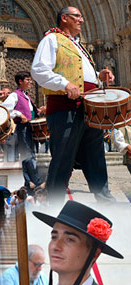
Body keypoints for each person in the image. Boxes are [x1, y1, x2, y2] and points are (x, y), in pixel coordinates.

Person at [31, 6, 116, 204]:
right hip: (65, 109)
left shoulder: (80, 46)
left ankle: (106, 201)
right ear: (64, 18)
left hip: (88, 109)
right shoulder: (51, 40)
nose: (82, 20)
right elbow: (38, 70)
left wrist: (99, 77)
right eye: (77, 16)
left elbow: (82, 75)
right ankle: (54, 203)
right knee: (63, 159)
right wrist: (64, 84)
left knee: (95, 158)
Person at [2, 72, 40, 160]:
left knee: (32, 152)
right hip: (23, 128)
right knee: (26, 153)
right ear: (20, 81)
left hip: (31, 127)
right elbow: (4, 110)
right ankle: (30, 173)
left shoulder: (26, 96)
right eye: (28, 80)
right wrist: (19, 114)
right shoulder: (14, 95)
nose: (30, 82)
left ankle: (32, 172)